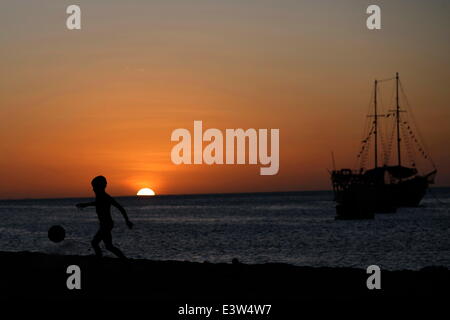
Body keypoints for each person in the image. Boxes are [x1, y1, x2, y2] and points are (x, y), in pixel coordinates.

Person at [76, 176, 133, 259]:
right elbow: (97, 203)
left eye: (94, 187)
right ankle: (123, 260)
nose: (93, 189)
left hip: (106, 224)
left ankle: (102, 258)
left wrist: (127, 221)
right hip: (105, 224)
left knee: (96, 243)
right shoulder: (100, 197)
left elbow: (120, 208)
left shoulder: (105, 197)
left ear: (100, 187)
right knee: (107, 246)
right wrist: (85, 205)